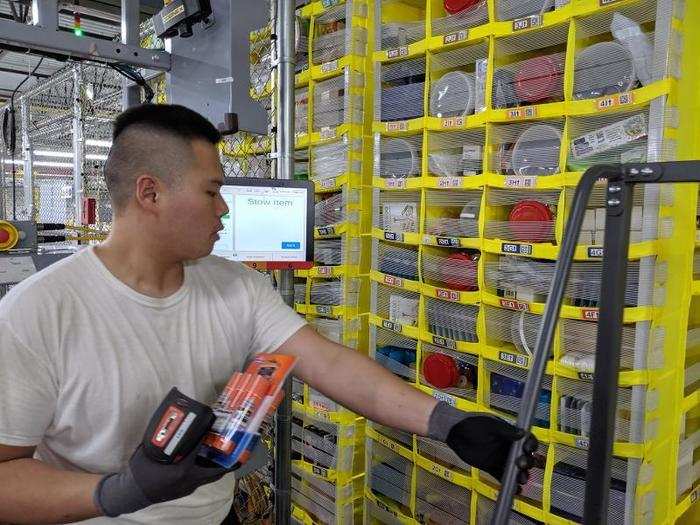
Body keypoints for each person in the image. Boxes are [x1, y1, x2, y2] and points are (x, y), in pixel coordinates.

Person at [0, 104, 536, 524]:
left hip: (216, 516)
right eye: (212, 191)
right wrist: (118, 493)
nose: (224, 209)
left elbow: (330, 365)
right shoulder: (39, 312)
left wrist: (449, 423)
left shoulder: (236, 286)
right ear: (150, 193)